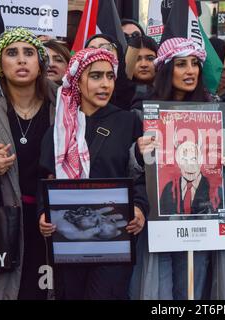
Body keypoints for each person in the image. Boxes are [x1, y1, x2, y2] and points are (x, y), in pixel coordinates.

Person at [130, 37, 225, 300]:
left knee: (194, 289)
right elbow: (130, 168)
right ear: (167, 69)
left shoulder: (215, 108)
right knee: (159, 289)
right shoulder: (142, 112)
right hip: (158, 221)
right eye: (181, 64)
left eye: (195, 64)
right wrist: (137, 151)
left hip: (203, 224)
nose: (190, 71)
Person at [38, 48, 148, 300]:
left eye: (110, 76)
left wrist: (140, 208)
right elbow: (45, 179)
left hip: (113, 238)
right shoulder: (59, 129)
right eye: (96, 76)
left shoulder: (128, 122)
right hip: (70, 238)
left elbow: (139, 174)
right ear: (78, 81)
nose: (105, 84)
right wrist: (43, 214)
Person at [0, 27, 57, 300]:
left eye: (29, 53)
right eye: (12, 53)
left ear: (40, 63)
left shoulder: (64, 103)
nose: (21, 60)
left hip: (50, 221)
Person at [85, 33, 136, 110]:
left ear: (119, 54)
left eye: (106, 48)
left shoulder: (136, 94)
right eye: (92, 50)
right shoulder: (81, 95)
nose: (99, 53)